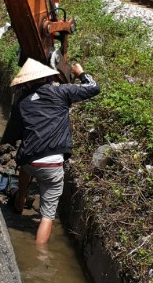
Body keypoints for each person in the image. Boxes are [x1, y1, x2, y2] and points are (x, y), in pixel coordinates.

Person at [6, 57, 99, 247]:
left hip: (29, 160)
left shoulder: (22, 101)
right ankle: (39, 254)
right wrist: (81, 73)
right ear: (46, 77)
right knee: (47, 215)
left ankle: (19, 200)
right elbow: (93, 88)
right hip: (52, 163)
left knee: (26, 166)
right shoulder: (60, 92)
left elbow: (15, 132)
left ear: (27, 82)